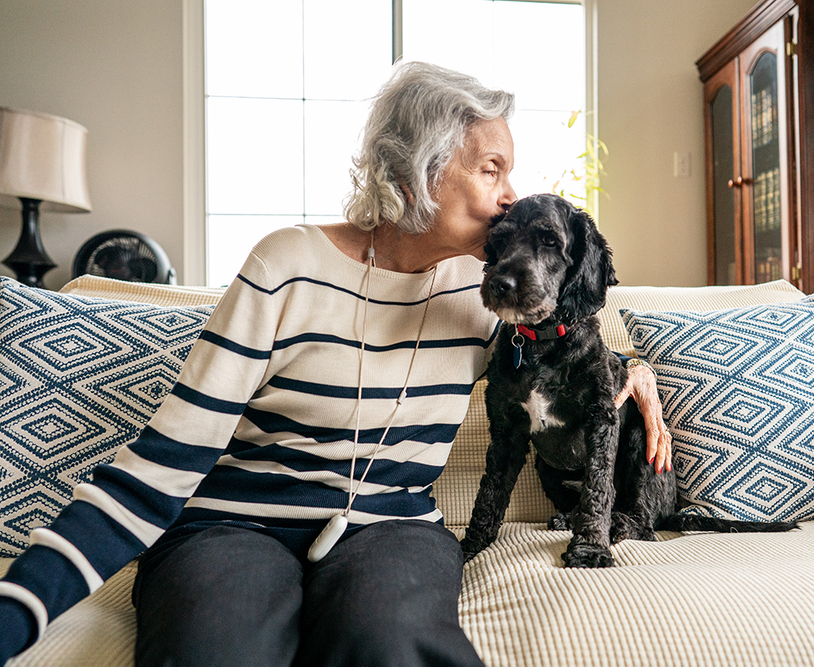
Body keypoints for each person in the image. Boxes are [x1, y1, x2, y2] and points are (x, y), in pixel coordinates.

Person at [0, 61, 671, 666]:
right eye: (491, 169)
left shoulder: (485, 297)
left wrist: (633, 368)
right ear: (421, 168)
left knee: (393, 641)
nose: (508, 196)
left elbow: (570, 343)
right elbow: (158, 465)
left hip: (393, 531)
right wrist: (16, 609)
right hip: (230, 527)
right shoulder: (285, 266)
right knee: (216, 645)